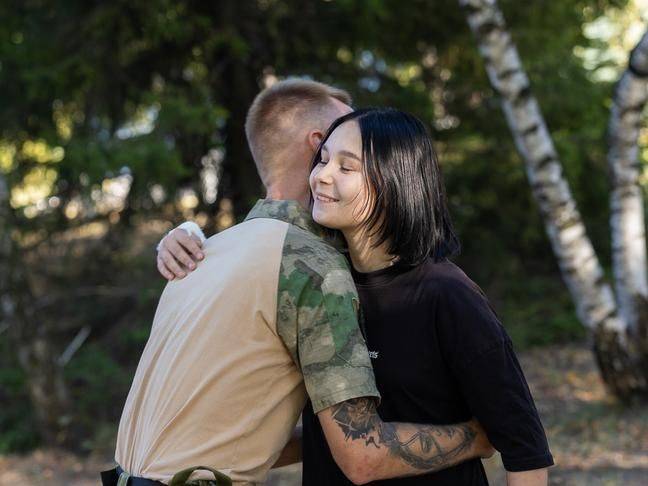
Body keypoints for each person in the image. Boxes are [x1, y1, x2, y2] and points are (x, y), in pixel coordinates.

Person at [109, 80, 493, 486]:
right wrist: (476, 436)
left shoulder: (201, 256)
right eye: (346, 138)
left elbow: (231, 435)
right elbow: (363, 457)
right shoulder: (310, 267)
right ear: (318, 148)